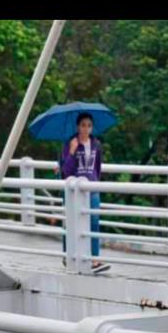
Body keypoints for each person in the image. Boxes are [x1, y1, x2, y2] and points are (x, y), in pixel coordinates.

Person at [60, 113, 110, 273]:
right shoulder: (70, 144)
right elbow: (66, 170)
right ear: (77, 126)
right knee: (72, 222)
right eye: (83, 125)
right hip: (75, 189)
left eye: (89, 125)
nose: (86, 128)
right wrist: (72, 151)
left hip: (92, 187)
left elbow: (98, 167)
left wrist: (95, 182)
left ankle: (94, 259)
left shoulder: (96, 144)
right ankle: (68, 255)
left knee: (94, 221)